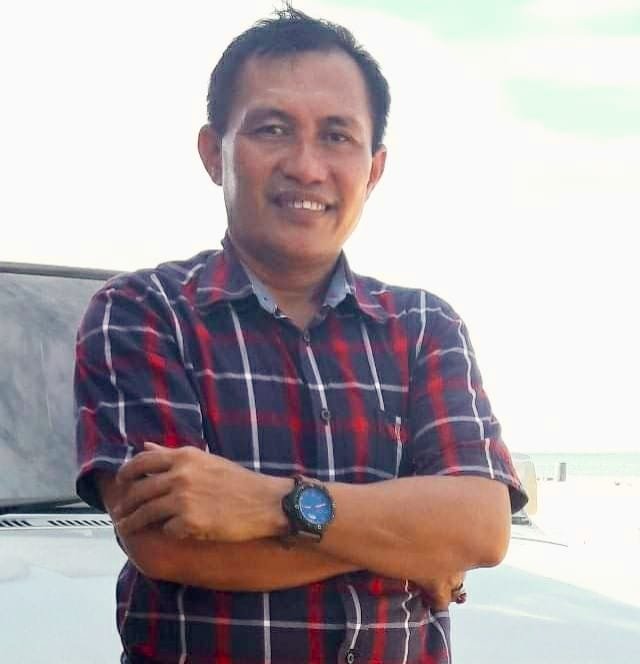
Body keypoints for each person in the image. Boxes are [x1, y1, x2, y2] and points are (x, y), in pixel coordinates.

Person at [75, 6, 527, 664]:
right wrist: (410, 543)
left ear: (373, 170)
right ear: (214, 153)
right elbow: (168, 544)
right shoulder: (143, 312)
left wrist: (269, 504)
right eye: (273, 129)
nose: (307, 166)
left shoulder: (425, 327)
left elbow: (482, 528)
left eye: (337, 136)